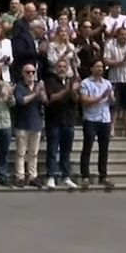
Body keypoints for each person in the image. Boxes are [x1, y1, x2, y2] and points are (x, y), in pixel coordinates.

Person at [79, 60, 115, 190]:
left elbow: (112, 101)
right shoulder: (85, 83)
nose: (100, 69)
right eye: (97, 67)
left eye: (101, 67)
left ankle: (103, 175)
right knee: (87, 147)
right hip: (91, 119)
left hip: (104, 119)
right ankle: (85, 175)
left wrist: (110, 97)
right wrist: (101, 97)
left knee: (104, 149)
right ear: (91, 69)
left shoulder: (107, 83)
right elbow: (85, 100)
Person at [44, 59, 80, 190]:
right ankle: (51, 176)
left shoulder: (72, 82)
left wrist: (73, 91)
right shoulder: (51, 81)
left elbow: (76, 100)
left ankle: (66, 176)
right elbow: (52, 98)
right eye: (59, 67)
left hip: (69, 121)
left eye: (64, 67)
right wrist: (68, 89)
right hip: (54, 121)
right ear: (55, 68)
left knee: (66, 151)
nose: (62, 69)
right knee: (52, 150)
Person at [13, 62, 48, 188]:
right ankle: (20, 176)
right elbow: (21, 101)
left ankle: (33, 176)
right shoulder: (20, 87)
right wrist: (35, 93)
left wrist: (42, 91)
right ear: (23, 74)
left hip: (36, 123)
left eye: (33, 72)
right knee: (21, 152)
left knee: (33, 153)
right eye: (28, 72)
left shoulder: (38, 86)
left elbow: (45, 101)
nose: (31, 75)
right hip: (22, 123)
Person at [102, 27, 126, 137]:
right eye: (121, 34)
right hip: (115, 79)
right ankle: (111, 129)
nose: (124, 36)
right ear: (117, 35)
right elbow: (106, 61)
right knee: (114, 106)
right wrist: (121, 61)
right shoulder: (110, 45)